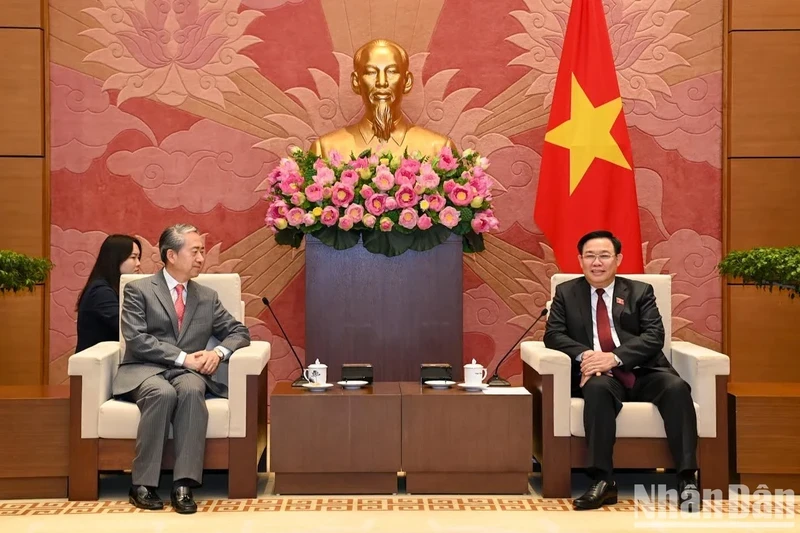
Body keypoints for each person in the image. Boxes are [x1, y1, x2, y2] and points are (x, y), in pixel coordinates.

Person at [543, 230, 700, 512]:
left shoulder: (640, 291)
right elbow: (553, 335)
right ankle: (603, 481)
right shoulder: (566, 293)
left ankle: (687, 478)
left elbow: (654, 336)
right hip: (597, 374)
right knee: (597, 389)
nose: (597, 262)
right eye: (590, 256)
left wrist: (614, 358)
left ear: (618, 259)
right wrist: (588, 356)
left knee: (677, 388)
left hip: (642, 370)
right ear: (580, 260)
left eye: (604, 255)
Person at [113, 223, 250, 514]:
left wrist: (219, 352)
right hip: (145, 369)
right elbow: (137, 339)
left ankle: (184, 484)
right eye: (196, 251)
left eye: (202, 251)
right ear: (171, 255)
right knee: (162, 394)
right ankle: (142, 485)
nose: (201, 258)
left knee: (191, 390)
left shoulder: (207, 296)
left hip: (189, 374)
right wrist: (184, 358)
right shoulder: (138, 290)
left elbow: (239, 331)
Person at [311, 38, 455, 158]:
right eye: (371, 72)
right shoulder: (325, 149)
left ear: (407, 82)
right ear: (356, 82)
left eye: (391, 72)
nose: (381, 82)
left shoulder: (439, 149)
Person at [75, 235, 142, 353]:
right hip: (99, 365)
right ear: (115, 258)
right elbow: (127, 327)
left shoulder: (114, 287)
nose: (138, 263)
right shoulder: (100, 292)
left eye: (139, 258)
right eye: (133, 257)